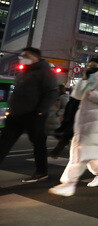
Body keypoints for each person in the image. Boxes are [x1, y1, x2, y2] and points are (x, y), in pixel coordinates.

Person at [49, 57, 98, 196]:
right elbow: (77, 95)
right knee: (92, 153)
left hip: (96, 122)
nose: (90, 67)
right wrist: (85, 79)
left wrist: (92, 93)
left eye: (93, 66)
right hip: (83, 121)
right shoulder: (89, 78)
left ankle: (69, 183)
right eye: (89, 65)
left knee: (82, 153)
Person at [0, 47, 58, 183]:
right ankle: (41, 171)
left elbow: (52, 93)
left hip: (34, 115)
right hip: (16, 114)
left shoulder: (45, 71)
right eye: (21, 55)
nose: (22, 57)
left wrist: (40, 111)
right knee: (4, 143)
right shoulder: (25, 71)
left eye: (26, 55)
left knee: (38, 144)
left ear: (35, 57)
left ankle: (41, 171)